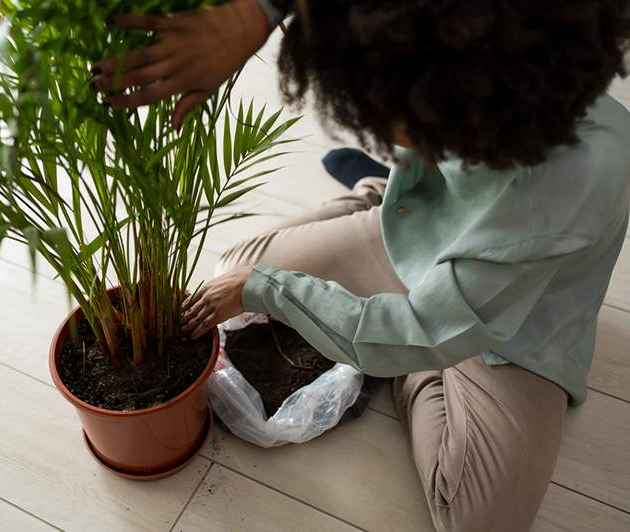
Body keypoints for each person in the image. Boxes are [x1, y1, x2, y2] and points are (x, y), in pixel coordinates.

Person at [92, 1, 630, 530]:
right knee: (231, 268)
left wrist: (278, 293)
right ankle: (373, 202)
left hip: (510, 331)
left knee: (474, 516)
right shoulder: (460, 58)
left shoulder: (562, 189)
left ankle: (403, 359)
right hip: (415, 229)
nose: (374, 127)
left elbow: (425, 329)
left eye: (386, 122)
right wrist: (258, 11)